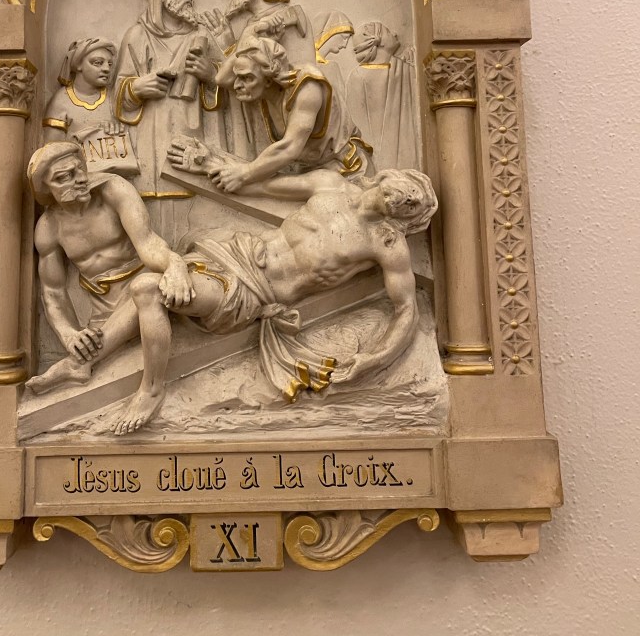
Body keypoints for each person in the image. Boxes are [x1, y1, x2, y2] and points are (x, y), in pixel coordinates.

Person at [105, 158, 437, 434]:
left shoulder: (386, 243)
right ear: (389, 176)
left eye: (415, 204)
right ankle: (87, 359)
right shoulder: (330, 184)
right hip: (236, 251)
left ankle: (151, 390)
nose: (410, 198)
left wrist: (375, 358)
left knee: (148, 288)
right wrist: (207, 162)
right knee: (151, 284)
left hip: (250, 291)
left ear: (408, 218)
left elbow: (406, 308)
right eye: (413, 188)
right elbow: (261, 184)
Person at [24, 141, 192, 430]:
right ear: (46, 189)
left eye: (79, 170)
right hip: (103, 308)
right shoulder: (49, 228)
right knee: (111, 322)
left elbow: (148, 243)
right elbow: (53, 292)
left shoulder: (114, 190)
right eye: (63, 177)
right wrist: (69, 334)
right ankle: (81, 358)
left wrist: (175, 265)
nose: (78, 179)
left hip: (142, 284)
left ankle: (80, 364)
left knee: (145, 291)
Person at [114, 0, 224, 241]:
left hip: (191, 136)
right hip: (150, 140)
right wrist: (137, 88)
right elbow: (120, 90)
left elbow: (233, 85)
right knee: (153, 214)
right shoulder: (137, 36)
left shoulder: (202, 35)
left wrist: (210, 75)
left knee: (194, 212)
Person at [197, 35, 372, 193]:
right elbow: (222, 80)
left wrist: (244, 174)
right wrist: (250, 33)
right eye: (238, 77)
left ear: (269, 78)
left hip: (347, 173)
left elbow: (289, 148)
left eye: (247, 78)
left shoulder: (307, 88)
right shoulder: (261, 90)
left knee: (256, 189)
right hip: (308, 174)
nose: (236, 85)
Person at [43, 37, 138, 176]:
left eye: (110, 64)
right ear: (78, 65)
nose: (106, 69)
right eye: (97, 63)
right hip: (76, 177)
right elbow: (51, 152)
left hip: (113, 172)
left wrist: (116, 131)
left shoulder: (113, 97)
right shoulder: (61, 102)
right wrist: (84, 137)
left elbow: (131, 135)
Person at [346, 21, 419, 169]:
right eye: (388, 32)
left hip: (406, 165)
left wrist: (414, 60)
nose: (395, 34)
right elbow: (356, 126)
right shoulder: (359, 77)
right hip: (373, 164)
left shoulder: (405, 69)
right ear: (377, 41)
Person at [313, 10, 354, 94]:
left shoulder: (332, 67)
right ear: (328, 33)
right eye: (344, 37)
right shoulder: (332, 68)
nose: (345, 45)